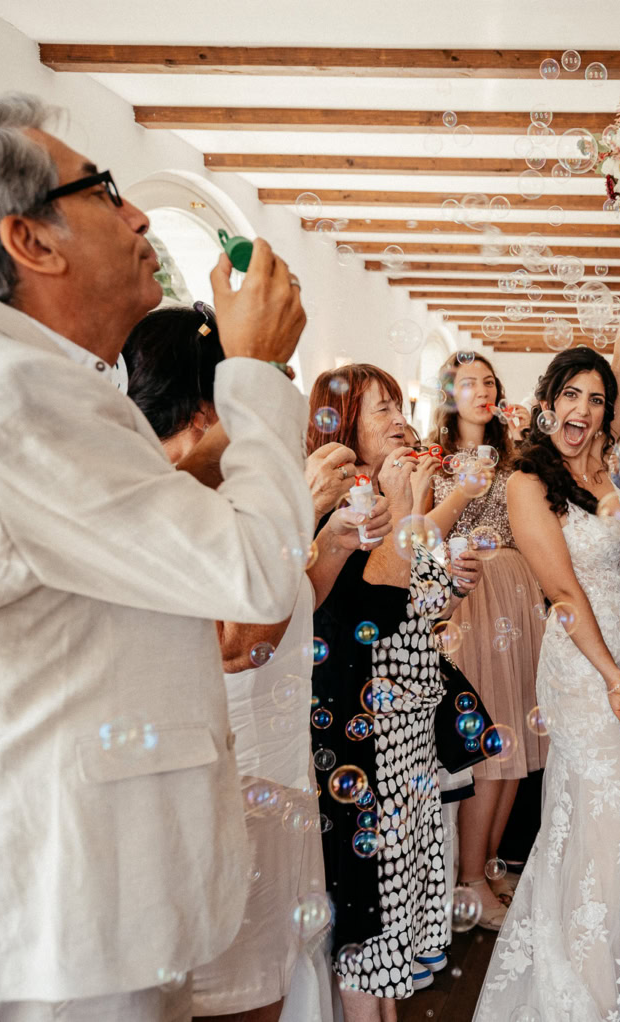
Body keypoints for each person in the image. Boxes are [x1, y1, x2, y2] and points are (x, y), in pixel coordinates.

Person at [0, 92, 310, 1020]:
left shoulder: (27, 381)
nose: (140, 214)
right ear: (30, 243)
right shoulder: (17, 393)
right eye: (107, 190)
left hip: (82, 881)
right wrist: (255, 373)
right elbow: (259, 569)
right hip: (71, 906)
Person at [124, 306, 392, 1022]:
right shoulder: (164, 501)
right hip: (233, 780)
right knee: (244, 989)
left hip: (281, 763)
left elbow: (289, 604)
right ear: (210, 405)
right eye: (262, 386)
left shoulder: (229, 490)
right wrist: (296, 511)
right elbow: (241, 645)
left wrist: (329, 542)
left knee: (284, 962)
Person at [474, 214, 620, 1021]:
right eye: (571, 394)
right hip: (587, 671)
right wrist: (618, 680)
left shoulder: (606, 454)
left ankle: (604, 971)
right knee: (604, 814)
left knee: (610, 820)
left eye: (597, 395)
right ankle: (577, 992)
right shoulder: (527, 481)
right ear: (546, 404)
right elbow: (564, 596)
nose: (585, 406)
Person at [305, 364, 482, 1021]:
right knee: (369, 908)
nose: (401, 419)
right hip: (358, 725)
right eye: (381, 409)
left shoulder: (390, 494)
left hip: (402, 720)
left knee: (394, 905)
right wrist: (419, 501)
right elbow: (378, 592)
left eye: (399, 405)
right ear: (344, 422)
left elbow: (419, 610)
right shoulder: (341, 501)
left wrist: (452, 581)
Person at [423, 351, 547, 927]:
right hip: (469, 601)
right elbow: (419, 538)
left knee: (514, 738)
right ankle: (467, 880)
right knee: (485, 744)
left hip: (518, 599)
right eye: (467, 381)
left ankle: (490, 863)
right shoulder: (434, 459)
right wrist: (461, 486)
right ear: (449, 392)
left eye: (488, 381)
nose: (480, 389)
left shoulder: (516, 456)